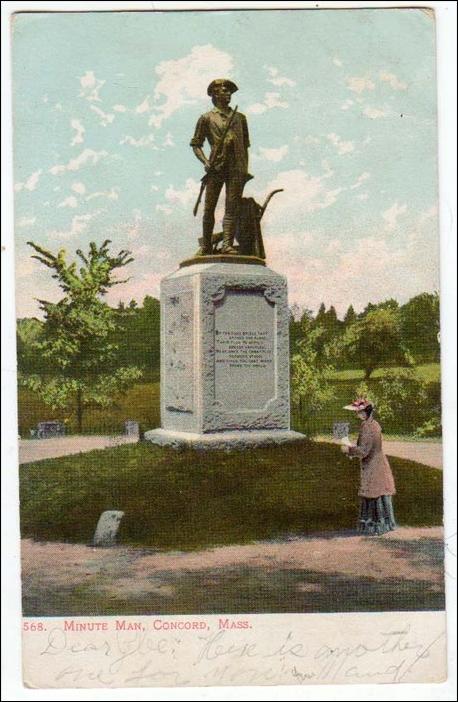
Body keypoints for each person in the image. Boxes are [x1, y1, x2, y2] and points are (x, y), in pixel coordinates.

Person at [190, 78, 251, 255]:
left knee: (232, 208)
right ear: (215, 95)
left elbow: (245, 146)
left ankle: (227, 245)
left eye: (229, 91)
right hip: (216, 168)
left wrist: (244, 169)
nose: (228, 94)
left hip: (236, 168)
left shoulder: (240, 118)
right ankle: (206, 245)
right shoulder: (206, 118)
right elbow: (196, 144)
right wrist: (206, 162)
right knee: (209, 208)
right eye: (224, 91)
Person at [341, 397, 397, 535]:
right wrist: (352, 448)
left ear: (366, 412)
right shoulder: (374, 424)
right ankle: (384, 525)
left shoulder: (367, 427)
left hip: (373, 466)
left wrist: (348, 449)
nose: (357, 415)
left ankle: (375, 527)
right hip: (378, 464)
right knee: (378, 493)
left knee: (373, 494)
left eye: (359, 412)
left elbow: (364, 451)